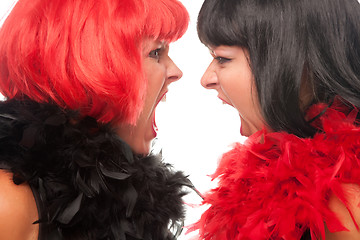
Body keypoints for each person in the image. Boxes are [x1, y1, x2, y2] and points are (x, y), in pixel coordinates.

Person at [0, 0, 191, 239]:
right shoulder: (9, 200)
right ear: (93, 66)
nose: (176, 71)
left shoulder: (128, 198)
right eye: (155, 52)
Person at [190, 0, 360, 239]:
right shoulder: (264, 175)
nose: (206, 79)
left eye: (222, 58)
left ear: (294, 61)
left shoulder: (345, 203)